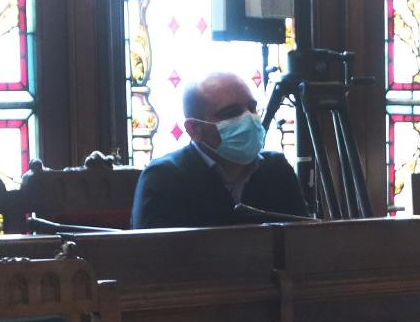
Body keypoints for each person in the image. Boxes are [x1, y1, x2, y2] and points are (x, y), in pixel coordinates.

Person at [130, 72, 309, 228]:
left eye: (252, 108)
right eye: (231, 113)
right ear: (194, 129)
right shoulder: (163, 178)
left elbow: (304, 242)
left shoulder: (276, 169)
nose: (249, 118)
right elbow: (153, 253)